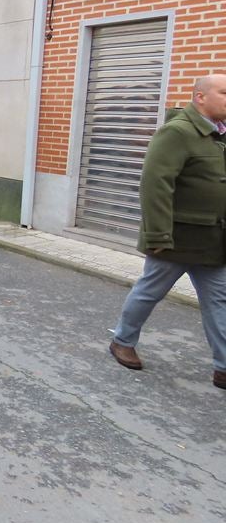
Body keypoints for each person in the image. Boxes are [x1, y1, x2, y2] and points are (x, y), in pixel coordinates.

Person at [110, 75, 226, 389]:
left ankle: (223, 366)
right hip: (176, 239)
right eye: (224, 92)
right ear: (200, 97)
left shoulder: (219, 135)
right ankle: (122, 340)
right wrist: (158, 235)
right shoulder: (177, 132)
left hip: (213, 243)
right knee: (149, 292)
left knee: (219, 302)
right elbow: (155, 185)